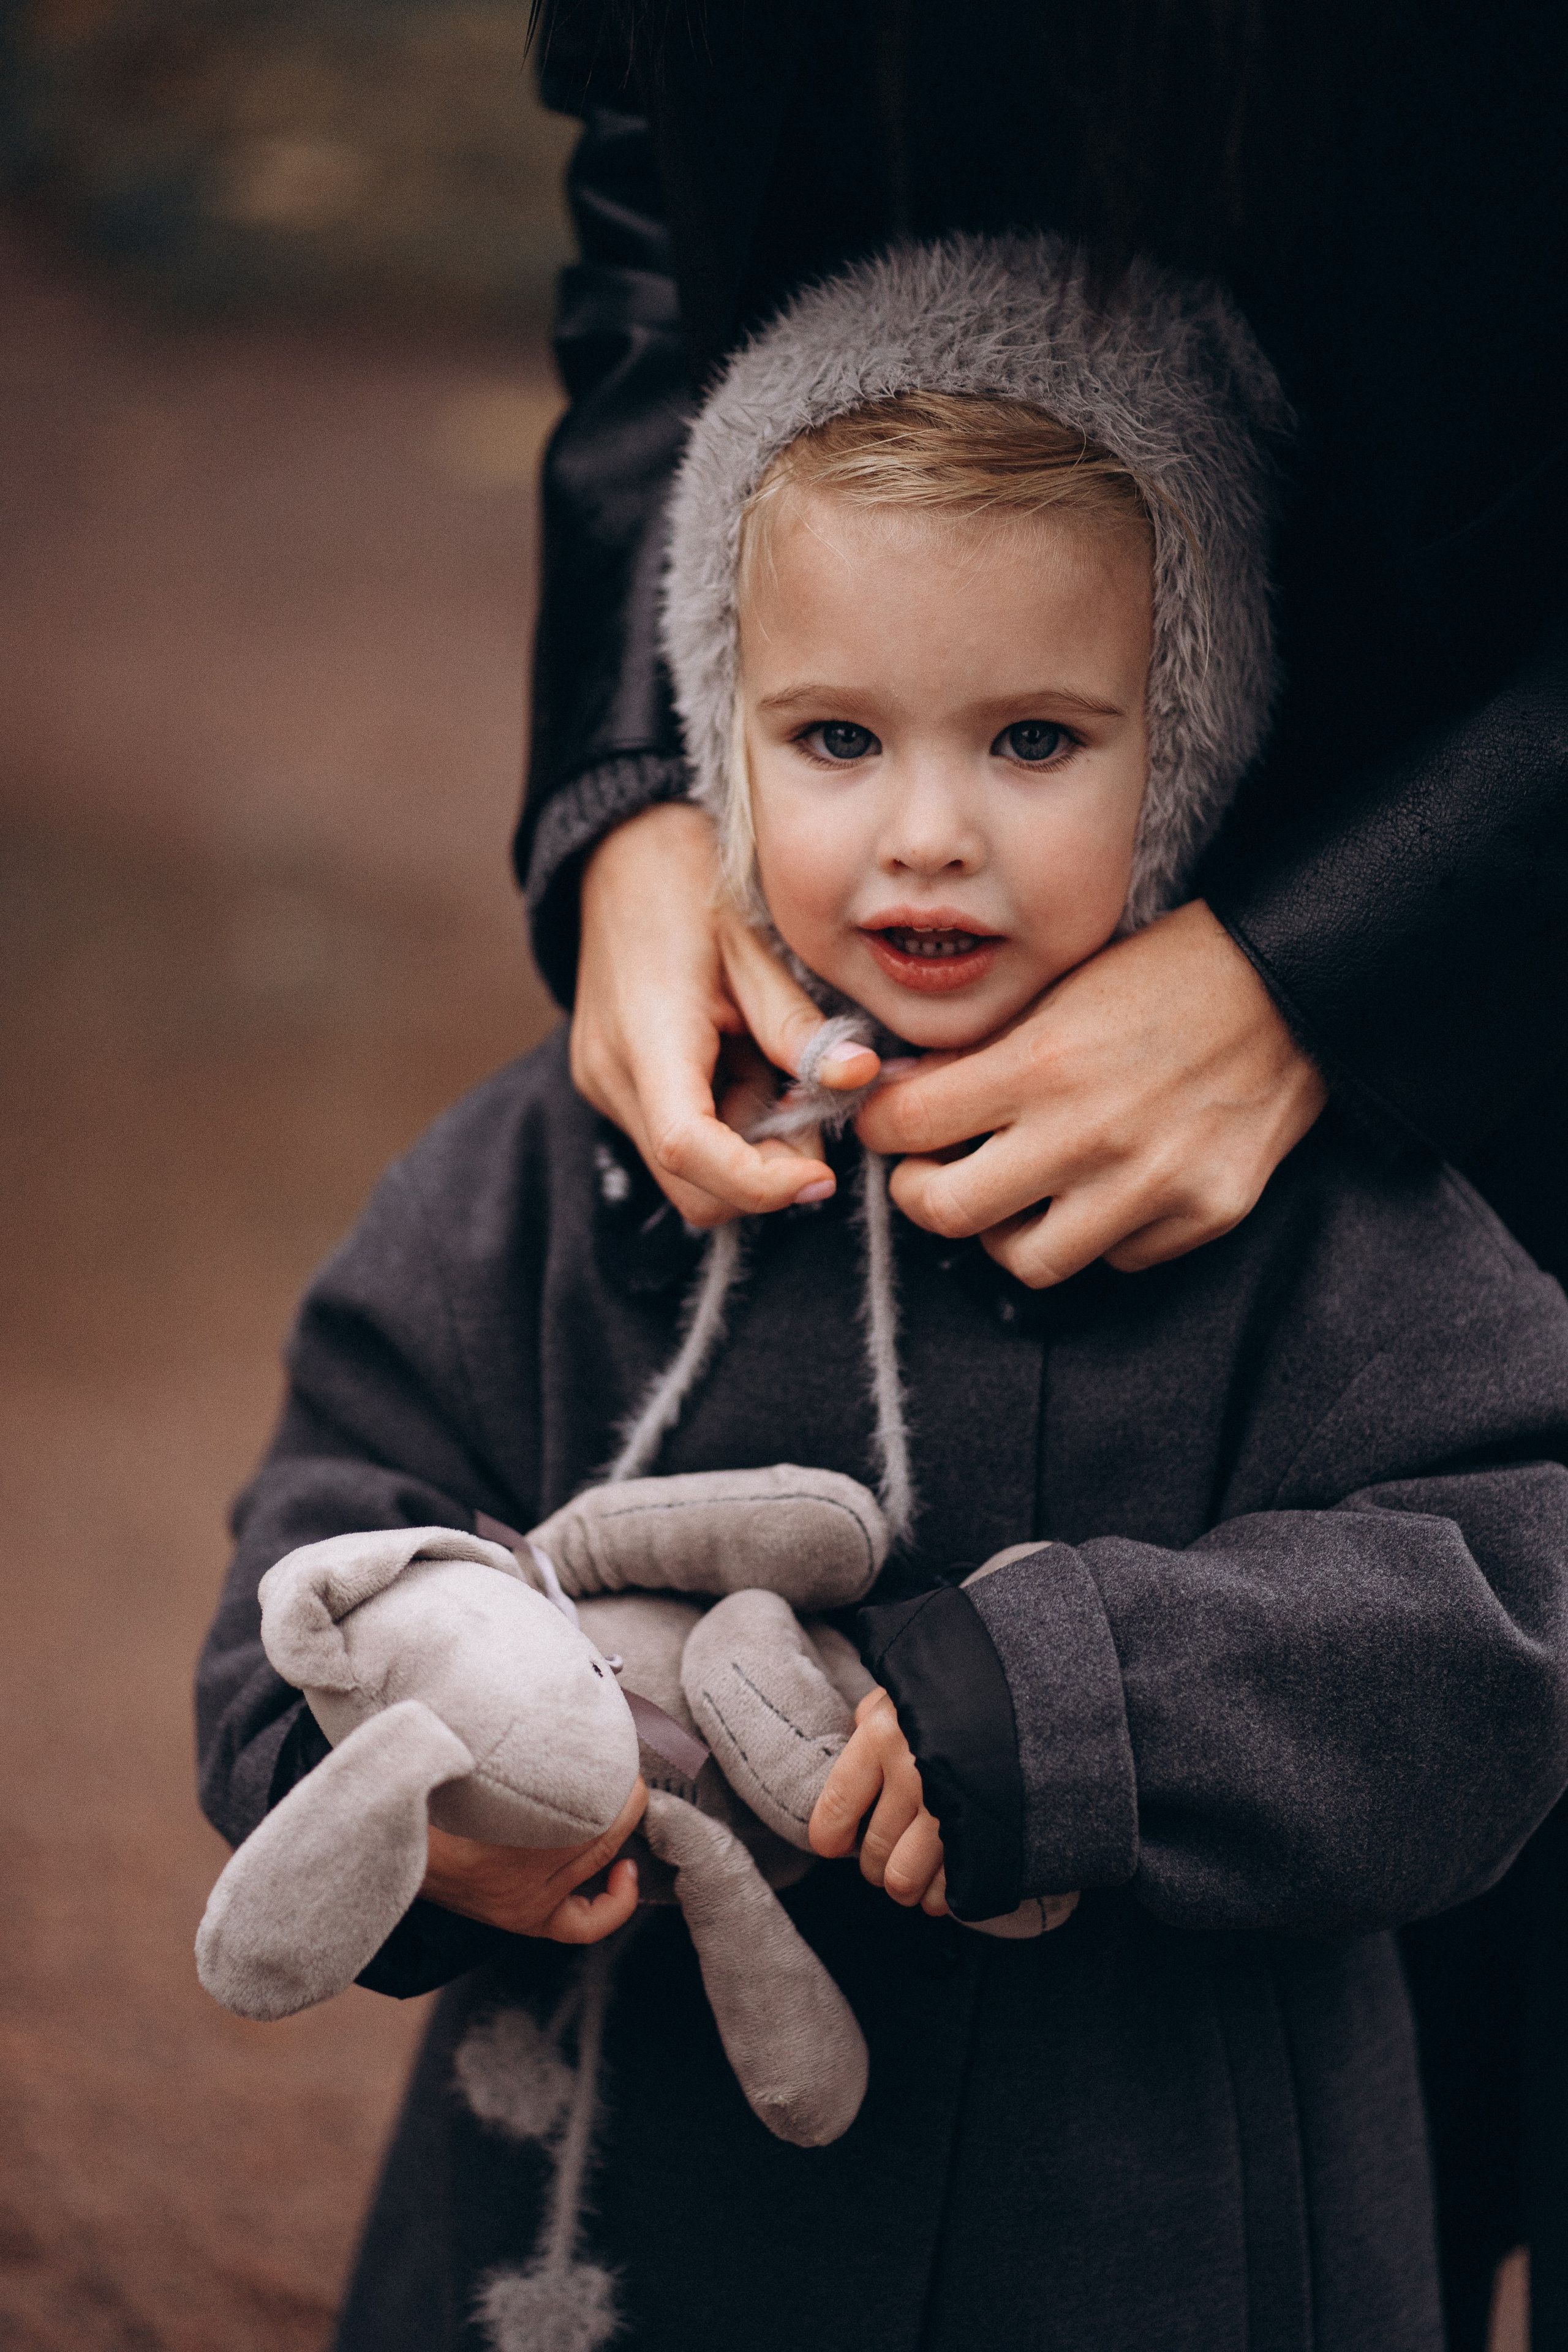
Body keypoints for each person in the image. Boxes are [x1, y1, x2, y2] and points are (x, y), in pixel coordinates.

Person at [197, 235, 1568, 2352]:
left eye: (1035, 740)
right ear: (714, 734)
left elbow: (1510, 1606)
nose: (926, 837)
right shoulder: (576, 1155)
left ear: (1188, 743)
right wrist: (376, 1762)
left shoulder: (1312, 1195)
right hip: (608, 2234)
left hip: (1163, 2248)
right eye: (836, 735)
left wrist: (1093, 1699)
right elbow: (327, 1511)